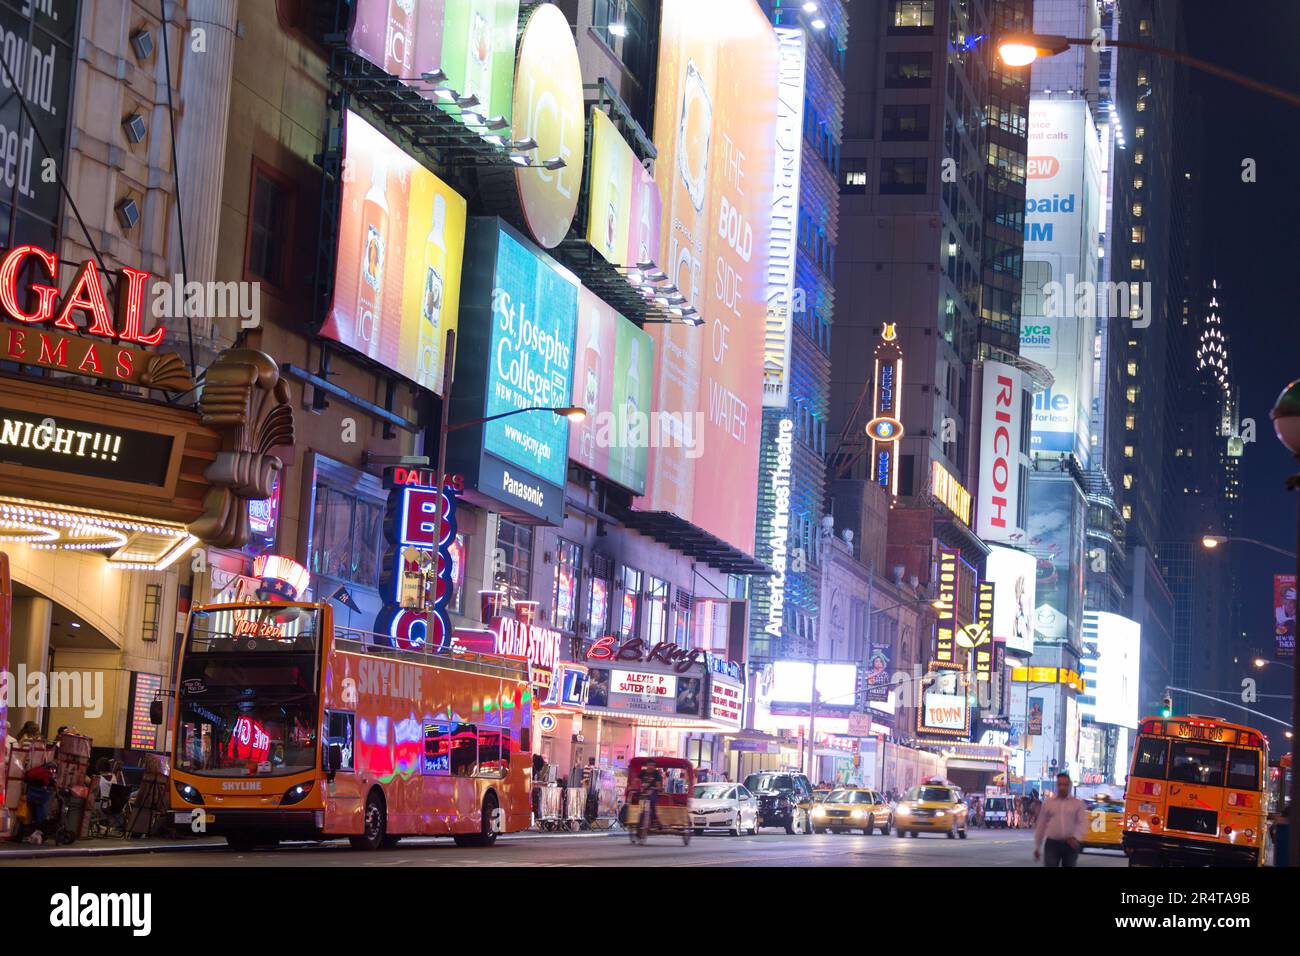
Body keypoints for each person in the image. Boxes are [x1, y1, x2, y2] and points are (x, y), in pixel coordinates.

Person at [1034, 772, 1088, 867]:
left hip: (1071, 845)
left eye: (1065, 785)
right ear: (1057, 785)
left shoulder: (1077, 804)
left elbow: (1082, 823)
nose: (1062, 787)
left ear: (1069, 786)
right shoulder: (1048, 803)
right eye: (1060, 784)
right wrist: (1037, 846)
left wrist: (1076, 837)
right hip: (1052, 844)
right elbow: (1041, 825)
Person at [635, 759, 664, 839]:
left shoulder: (656, 774)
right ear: (646, 765)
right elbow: (637, 781)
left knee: (652, 802)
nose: (650, 767)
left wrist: (657, 788)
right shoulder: (642, 772)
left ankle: (655, 820)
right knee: (640, 809)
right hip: (643, 793)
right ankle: (639, 827)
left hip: (653, 793)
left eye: (652, 765)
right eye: (649, 765)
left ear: (654, 766)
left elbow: (659, 785)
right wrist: (638, 786)